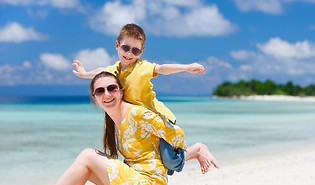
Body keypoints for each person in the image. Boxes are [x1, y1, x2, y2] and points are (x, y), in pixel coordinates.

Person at [14, 72, 218, 185]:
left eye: (111, 88)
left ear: (120, 91)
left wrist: (175, 157)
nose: (107, 94)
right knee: (86, 169)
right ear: (94, 99)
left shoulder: (137, 113)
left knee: (87, 155)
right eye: (100, 91)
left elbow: (176, 134)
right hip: (137, 181)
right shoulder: (114, 121)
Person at [72, 23, 215, 175]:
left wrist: (186, 67)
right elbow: (100, 71)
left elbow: (161, 68)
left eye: (136, 50)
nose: (129, 53)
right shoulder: (113, 70)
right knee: (149, 158)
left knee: (170, 162)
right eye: (125, 48)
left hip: (159, 119)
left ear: (142, 51)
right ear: (117, 45)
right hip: (140, 123)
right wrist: (85, 73)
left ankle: (198, 149)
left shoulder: (142, 67)